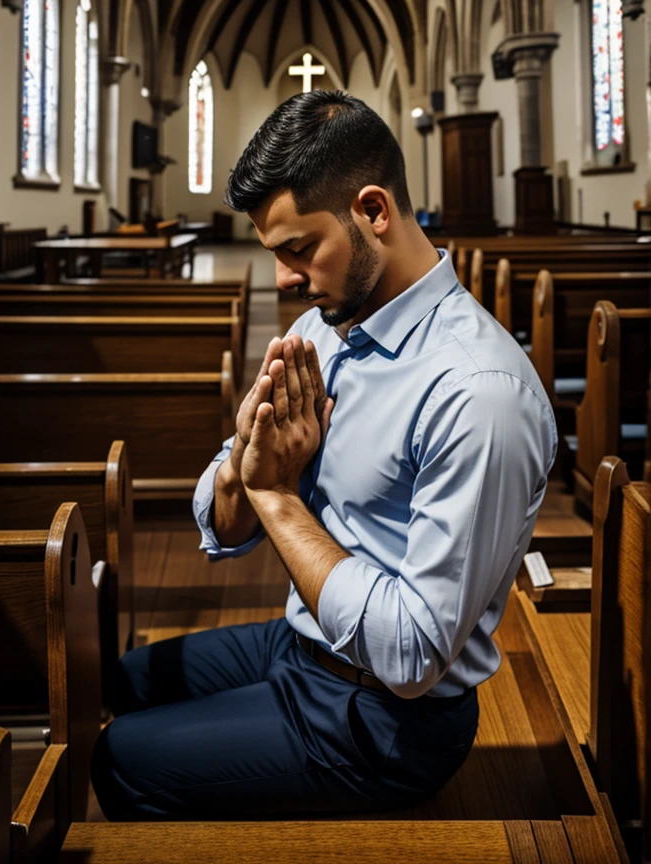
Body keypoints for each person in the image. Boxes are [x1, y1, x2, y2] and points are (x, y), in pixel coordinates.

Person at [91, 90, 557, 821]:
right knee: (116, 683)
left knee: (116, 760)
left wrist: (276, 495)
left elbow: (410, 655)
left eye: (297, 250)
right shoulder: (326, 326)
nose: (281, 279)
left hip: (385, 724)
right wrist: (247, 471)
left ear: (373, 211)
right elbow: (220, 518)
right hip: (304, 637)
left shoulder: (479, 394)